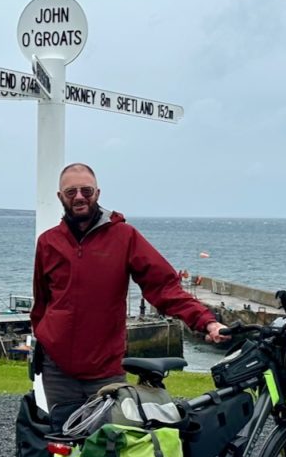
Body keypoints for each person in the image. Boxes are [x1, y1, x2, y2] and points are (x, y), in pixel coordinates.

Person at [30, 162, 228, 419]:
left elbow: (163, 286)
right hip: (56, 370)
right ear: (60, 197)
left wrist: (206, 322)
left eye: (86, 191)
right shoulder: (48, 242)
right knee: (62, 444)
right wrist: (44, 339)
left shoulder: (124, 236)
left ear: (98, 194)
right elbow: (41, 301)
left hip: (105, 369)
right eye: (71, 192)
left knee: (110, 449)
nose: (79, 197)